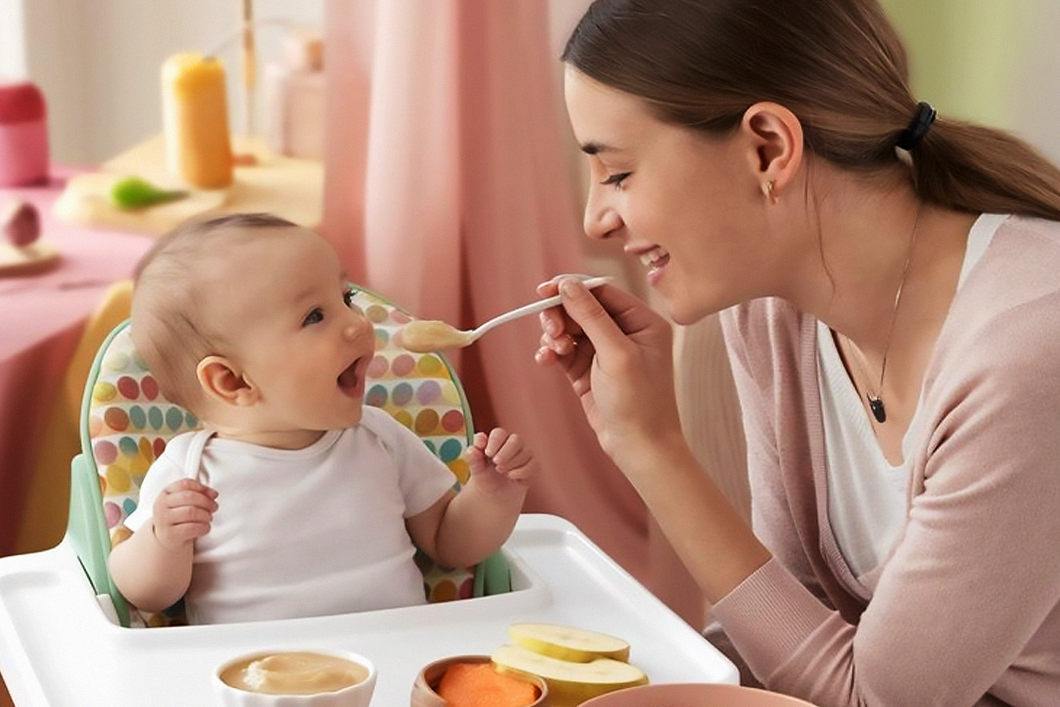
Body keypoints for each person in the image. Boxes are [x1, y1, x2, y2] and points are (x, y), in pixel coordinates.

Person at [535, 1, 1060, 705]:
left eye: (619, 173)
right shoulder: (774, 312)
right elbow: (799, 635)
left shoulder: (1028, 349)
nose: (597, 220)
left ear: (768, 149)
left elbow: (872, 698)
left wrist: (651, 447)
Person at [108, 213, 536, 625]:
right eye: (315, 316)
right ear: (232, 380)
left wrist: (494, 496)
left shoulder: (380, 438)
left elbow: (450, 543)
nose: (357, 323)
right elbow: (145, 594)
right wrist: (164, 540)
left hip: (401, 652)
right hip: (260, 680)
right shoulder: (190, 470)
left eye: (346, 299)